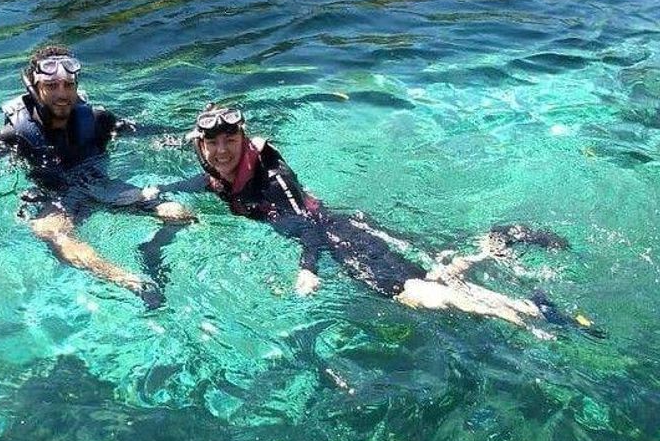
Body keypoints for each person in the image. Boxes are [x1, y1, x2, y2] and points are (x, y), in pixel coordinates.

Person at [148, 103, 599, 336]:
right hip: (350, 230)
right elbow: (188, 187)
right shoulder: (217, 179)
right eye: (213, 143)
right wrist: (148, 197)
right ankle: (494, 246)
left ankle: (528, 311)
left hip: (341, 237)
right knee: (436, 272)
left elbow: (308, 226)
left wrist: (308, 270)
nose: (222, 149)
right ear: (201, 148)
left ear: (243, 140)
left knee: (415, 293)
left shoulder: (274, 177)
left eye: (230, 139)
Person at [0, 44, 191, 304]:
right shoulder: (14, 135)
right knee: (49, 232)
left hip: (100, 185)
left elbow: (149, 133)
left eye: (68, 86)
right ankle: (131, 282)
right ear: (34, 88)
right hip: (55, 198)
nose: (62, 94)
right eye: (52, 86)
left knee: (179, 213)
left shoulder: (97, 119)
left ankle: (150, 250)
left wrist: (189, 138)